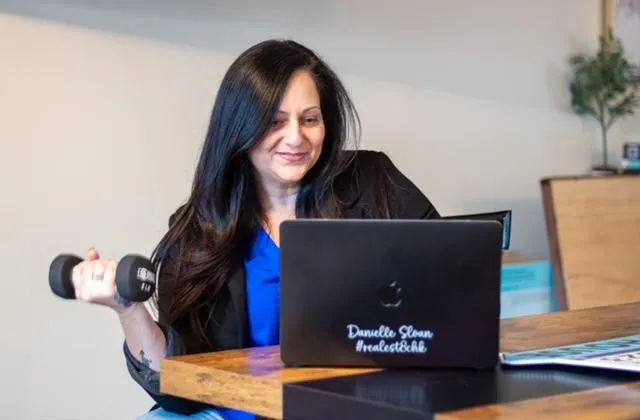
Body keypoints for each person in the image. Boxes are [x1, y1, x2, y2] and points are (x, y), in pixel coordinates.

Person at [71, 39, 440, 419]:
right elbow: (178, 390)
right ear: (240, 129)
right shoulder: (199, 229)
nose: (295, 138)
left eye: (309, 119)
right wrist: (129, 309)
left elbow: (454, 277)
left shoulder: (372, 182)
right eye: (274, 122)